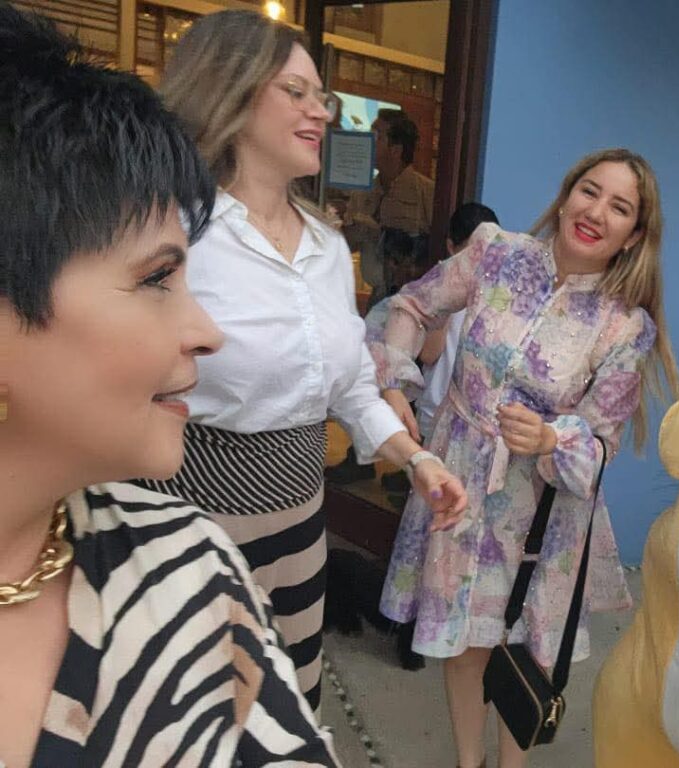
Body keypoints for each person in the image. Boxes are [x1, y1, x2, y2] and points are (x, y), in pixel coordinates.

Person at [0, 5, 339, 766]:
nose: (207, 332)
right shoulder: (201, 221)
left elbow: (347, 378)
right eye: (157, 279)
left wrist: (405, 448)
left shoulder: (191, 572)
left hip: (298, 504)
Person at [143, 9, 466, 710]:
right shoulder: (174, 231)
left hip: (298, 520)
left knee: (287, 711)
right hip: (192, 517)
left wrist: (415, 458)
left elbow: (350, 387)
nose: (321, 111)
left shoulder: (324, 246)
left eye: (322, 96)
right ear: (230, 93)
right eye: (296, 92)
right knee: (195, 722)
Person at [370, 148, 679, 767]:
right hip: (459, 484)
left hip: (539, 512)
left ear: (633, 236)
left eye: (619, 207)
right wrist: (394, 383)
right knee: (464, 643)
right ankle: (469, 763)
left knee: (521, 650)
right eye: (589, 191)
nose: (596, 212)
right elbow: (411, 306)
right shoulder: (494, 252)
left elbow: (600, 446)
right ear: (566, 197)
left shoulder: (624, 327)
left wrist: (550, 439)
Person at [416, 203, 500, 444]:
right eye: (472, 253)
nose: (479, 262)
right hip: (437, 414)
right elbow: (429, 354)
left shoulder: (501, 291)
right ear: (451, 247)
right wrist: (447, 295)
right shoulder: (437, 286)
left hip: (477, 422)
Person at [344, 109, 435, 307]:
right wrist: (354, 231)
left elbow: (437, 253)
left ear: (396, 149)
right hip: (376, 301)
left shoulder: (426, 192)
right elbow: (346, 246)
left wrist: (384, 237)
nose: (368, 141)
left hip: (415, 302)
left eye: (376, 136)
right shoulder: (362, 192)